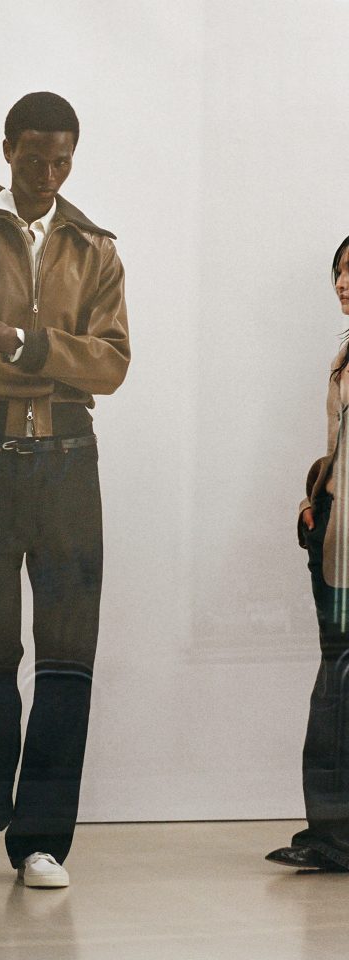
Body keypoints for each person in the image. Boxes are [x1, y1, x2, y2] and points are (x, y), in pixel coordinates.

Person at [0, 92, 130, 887]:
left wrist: (21, 344)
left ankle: (42, 839)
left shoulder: (96, 247)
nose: (49, 174)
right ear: (8, 148)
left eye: (63, 161)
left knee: (67, 656)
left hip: (71, 468)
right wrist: (57, 366)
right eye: (36, 158)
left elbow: (111, 365)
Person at [267, 235, 349, 872]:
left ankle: (334, 834)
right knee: (335, 684)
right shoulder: (344, 356)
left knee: (339, 683)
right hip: (336, 544)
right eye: (339, 272)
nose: (343, 283)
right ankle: (330, 833)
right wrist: (315, 493)